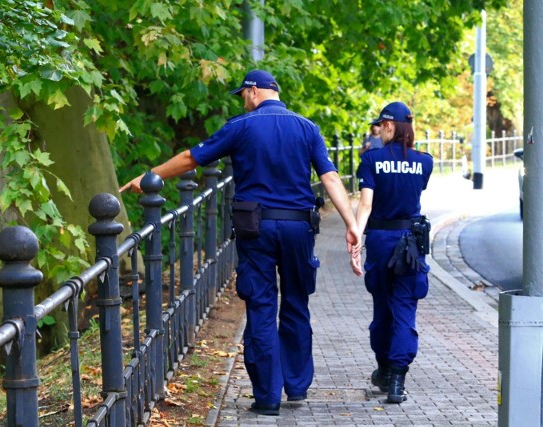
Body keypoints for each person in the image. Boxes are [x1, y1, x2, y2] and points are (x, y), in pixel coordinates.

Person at [121, 70, 360, 416]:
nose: (242, 101)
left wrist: (150, 177)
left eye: (242, 95)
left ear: (253, 92)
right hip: (298, 229)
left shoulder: (242, 126)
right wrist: (351, 223)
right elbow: (330, 177)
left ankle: (266, 398)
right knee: (296, 302)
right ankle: (296, 387)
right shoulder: (308, 128)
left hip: (255, 228)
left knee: (261, 305)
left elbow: (191, 158)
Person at [350, 101, 433, 404]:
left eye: (381, 126)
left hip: (381, 240)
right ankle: (397, 377)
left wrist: (356, 236)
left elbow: (366, 205)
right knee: (404, 309)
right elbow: (415, 192)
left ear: (388, 126)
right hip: (409, 243)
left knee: (382, 307)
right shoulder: (425, 161)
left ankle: (384, 367)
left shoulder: (371, 160)